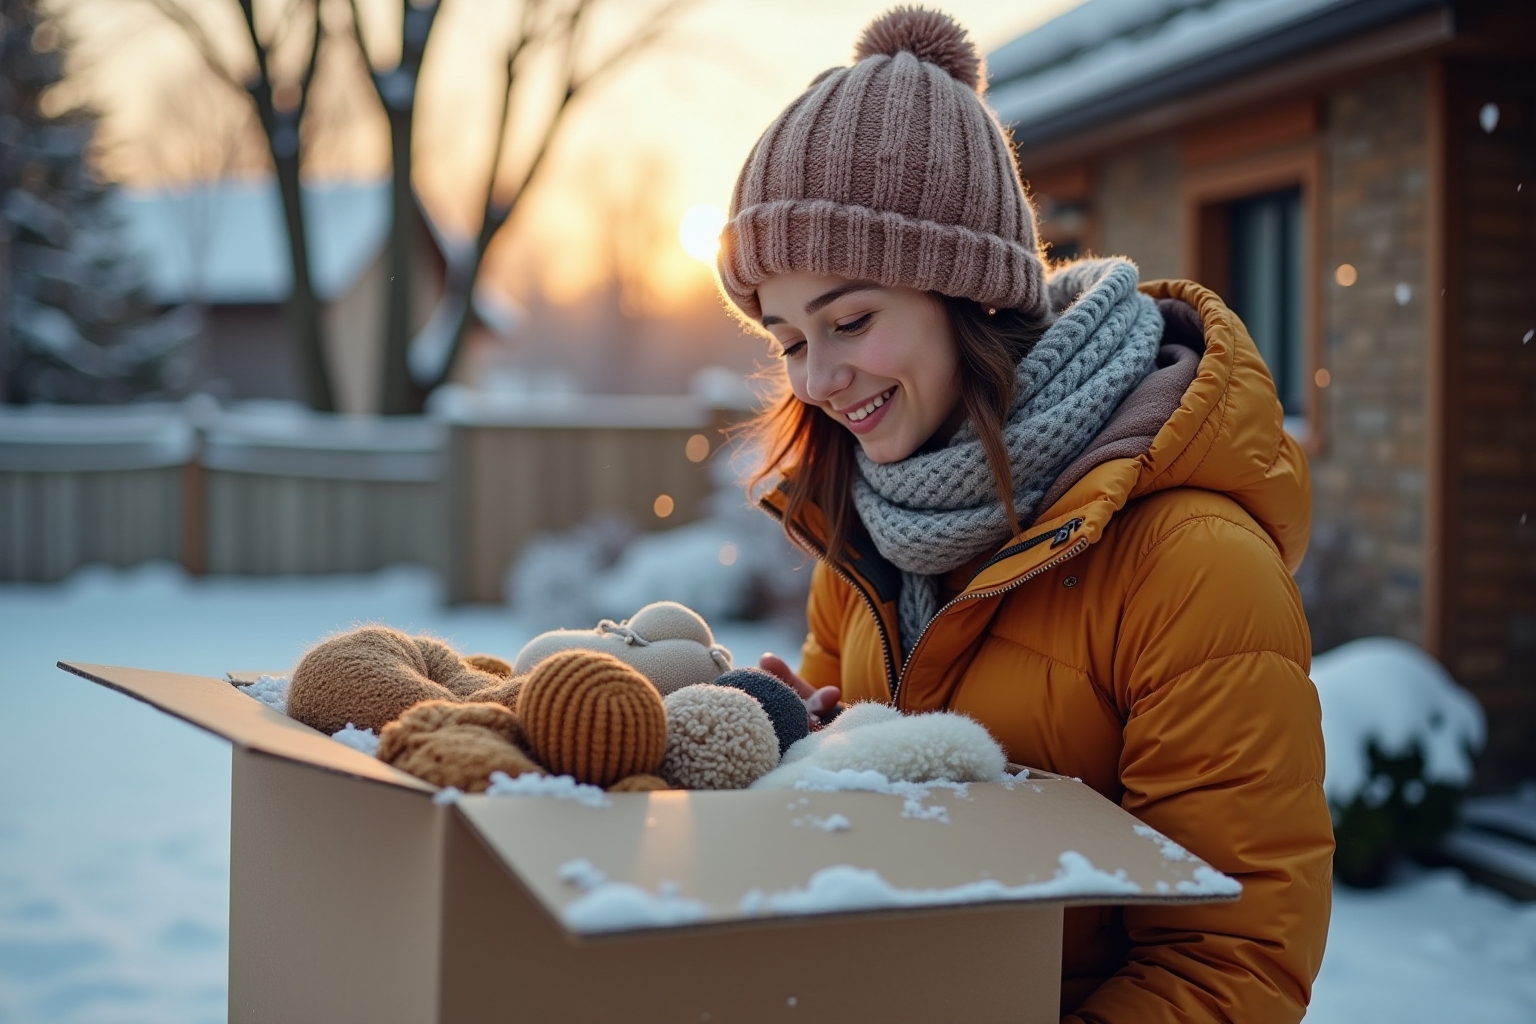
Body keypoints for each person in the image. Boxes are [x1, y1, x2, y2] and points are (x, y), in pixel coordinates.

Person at [716, 8, 1333, 1023]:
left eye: (852, 319)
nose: (818, 379)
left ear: (969, 294)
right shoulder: (863, 543)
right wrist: (807, 748)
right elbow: (849, 872)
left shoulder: (1192, 569)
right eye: (786, 339)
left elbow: (1232, 968)